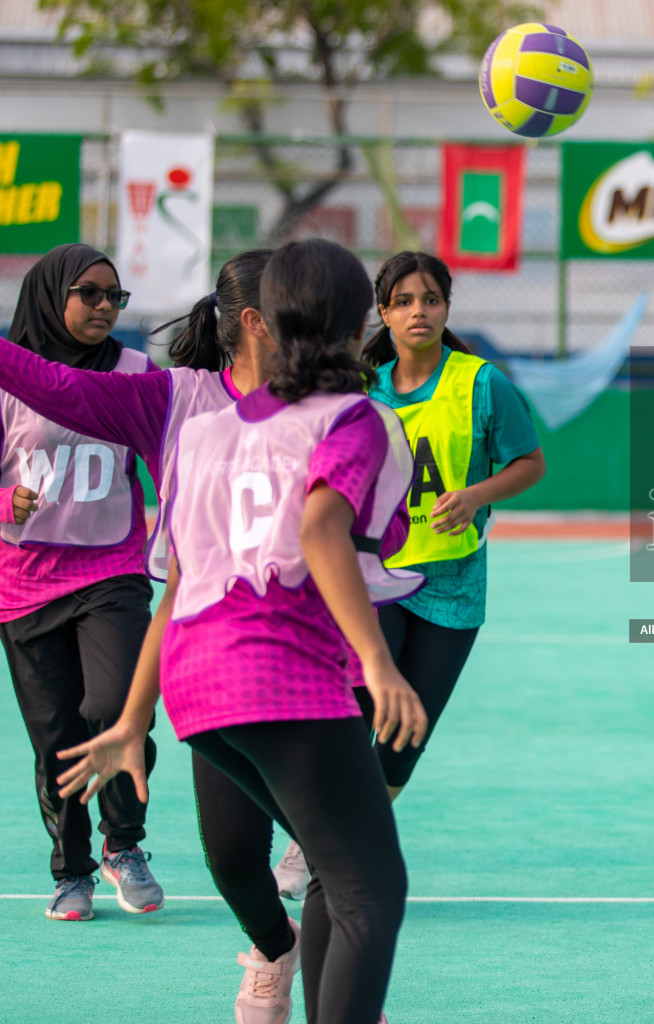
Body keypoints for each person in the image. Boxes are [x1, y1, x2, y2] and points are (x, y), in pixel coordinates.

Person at [57, 238, 429, 1024]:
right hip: (281, 675)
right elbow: (326, 529)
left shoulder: (208, 434)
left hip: (197, 684)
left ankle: (313, 985)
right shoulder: (351, 419)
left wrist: (132, 717)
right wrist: (379, 663)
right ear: (358, 320)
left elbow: (184, 580)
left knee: (335, 867)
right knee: (369, 887)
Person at [265, 251, 545, 888]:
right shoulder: (360, 386)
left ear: (446, 307)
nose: (419, 311)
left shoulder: (481, 383)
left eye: (431, 300)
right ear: (383, 312)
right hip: (375, 578)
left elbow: (530, 464)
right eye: (404, 301)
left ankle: (347, 835)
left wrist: (476, 495)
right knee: (356, 709)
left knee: (406, 734)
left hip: (453, 586)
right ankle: (314, 844)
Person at [0, 243, 162, 921]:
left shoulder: (136, 373)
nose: (103, 307)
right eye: (89, 293)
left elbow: (176, 459)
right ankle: (72, 871)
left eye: (114, 297)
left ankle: (123, 844)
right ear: (50, 295)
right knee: (57, 732)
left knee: (118, 705)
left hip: (111, 570)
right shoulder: (10, 380)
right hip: (24, 582)